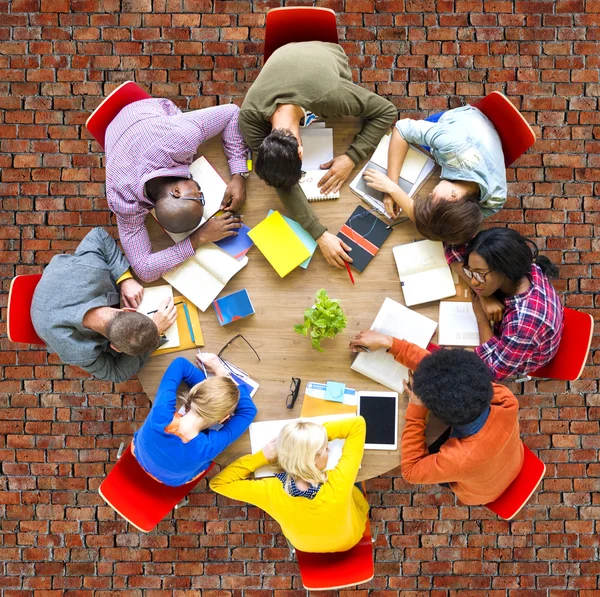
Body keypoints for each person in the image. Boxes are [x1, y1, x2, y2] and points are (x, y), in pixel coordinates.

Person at [239, 41, 398, 269]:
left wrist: (352, 157)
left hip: (326, 58)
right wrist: (320, 234)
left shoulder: (331, 95)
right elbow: (281, 182)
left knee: (351, 111)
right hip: (285, 56)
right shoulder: (249, 118)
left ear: (301, 152)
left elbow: (387, 111)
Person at [349, 332, 523, 505]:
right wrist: (389, 343)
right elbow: (448, 374)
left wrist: (417, 409)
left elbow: (411, 471)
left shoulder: (459, 460)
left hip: (480, 492)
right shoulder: (505, 399)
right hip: (511, 459)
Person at [105, 97, 250, 282]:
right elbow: (144, 270)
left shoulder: (179, 139)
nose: (200, 193)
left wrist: (239, 174)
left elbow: (232, 113)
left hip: (140, 113)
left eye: (198, 198)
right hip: (117, 136)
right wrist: (198, 238)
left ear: (177, 192)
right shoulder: (123, 202)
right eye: (201, 198)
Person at [31, 228, 176, 383]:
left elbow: (98, 234)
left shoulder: (93, 269)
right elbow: (117, 374)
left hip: (59, 283)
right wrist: (156, 331)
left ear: (128, 310)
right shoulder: (79, 352)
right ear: (114, 347)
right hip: (52, 306)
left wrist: (125, 278)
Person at [210, 416, 369, 553]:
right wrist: (313, 437)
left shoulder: (269, 491)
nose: (328, 450)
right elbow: (357, 424)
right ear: (312, 459)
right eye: (325, 449)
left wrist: (262, 456)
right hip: (349, 540)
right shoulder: (339, 482)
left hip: (303, 546)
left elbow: (219, 484)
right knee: (356, 488)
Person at [362, 105, 507, 245]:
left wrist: (394, 190)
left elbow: (441, 223)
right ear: (453, 196)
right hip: (463, 121)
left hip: (483, 140)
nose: (429, 195)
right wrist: (391, 182)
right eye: (432, 200)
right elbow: (401, 129)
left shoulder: (496, 200)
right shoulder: (453, 146)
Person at [450, 227, 563, 380]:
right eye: (470, 271)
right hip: (519, 337)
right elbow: (452, 249)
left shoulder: (523, 325)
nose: (473, 280)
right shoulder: (527, 269)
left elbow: (489, 372)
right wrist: (484, 297)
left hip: (519, 355)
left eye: (480, 274)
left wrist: (481, 318)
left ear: (504, 270)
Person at [132, 353, 257, 486]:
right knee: (204, 463)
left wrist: (211, 384)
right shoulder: (208, 447)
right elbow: (248, 411)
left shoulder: (160, 413)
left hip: (139, 453)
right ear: (223, 419)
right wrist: (220, 378)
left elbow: (179, 364)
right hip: (170, 480)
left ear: (194, 391)